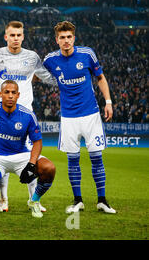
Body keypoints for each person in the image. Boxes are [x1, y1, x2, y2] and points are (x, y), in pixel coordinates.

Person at [43, 21, 116, 214]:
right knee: (72, 159)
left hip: (90, 114)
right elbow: (37, 75)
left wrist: (108, 102)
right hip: (68, 118)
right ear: (56, 40)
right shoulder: (50, 60)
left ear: (74, 38)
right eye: (62, 37)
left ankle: (102, 200)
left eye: (69, 37)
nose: (66, 41)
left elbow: (100, 78)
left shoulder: (87, 54)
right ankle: (78, 201)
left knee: (96, 158)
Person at [0, 21, 57, 213]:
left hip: (25, 114)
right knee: (2, 155)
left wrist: (66, 78)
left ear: (23, 36)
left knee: (30, 158)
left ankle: (33, 199)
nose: (15, 38)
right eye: (12, 35)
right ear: (6, 36)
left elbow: (47, 77)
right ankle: (3, 199)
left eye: (19, 35)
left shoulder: (32, 57)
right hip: (0, 114)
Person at [0, 80, 56, 218]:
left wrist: (31, 164)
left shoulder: (27, 115)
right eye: (7, 92)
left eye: (13, 93)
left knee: (49, 168)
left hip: (21, 156)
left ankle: (34, 201)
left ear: (18, 95)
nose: (10, 96)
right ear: (0, 94)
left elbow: (38, 142)